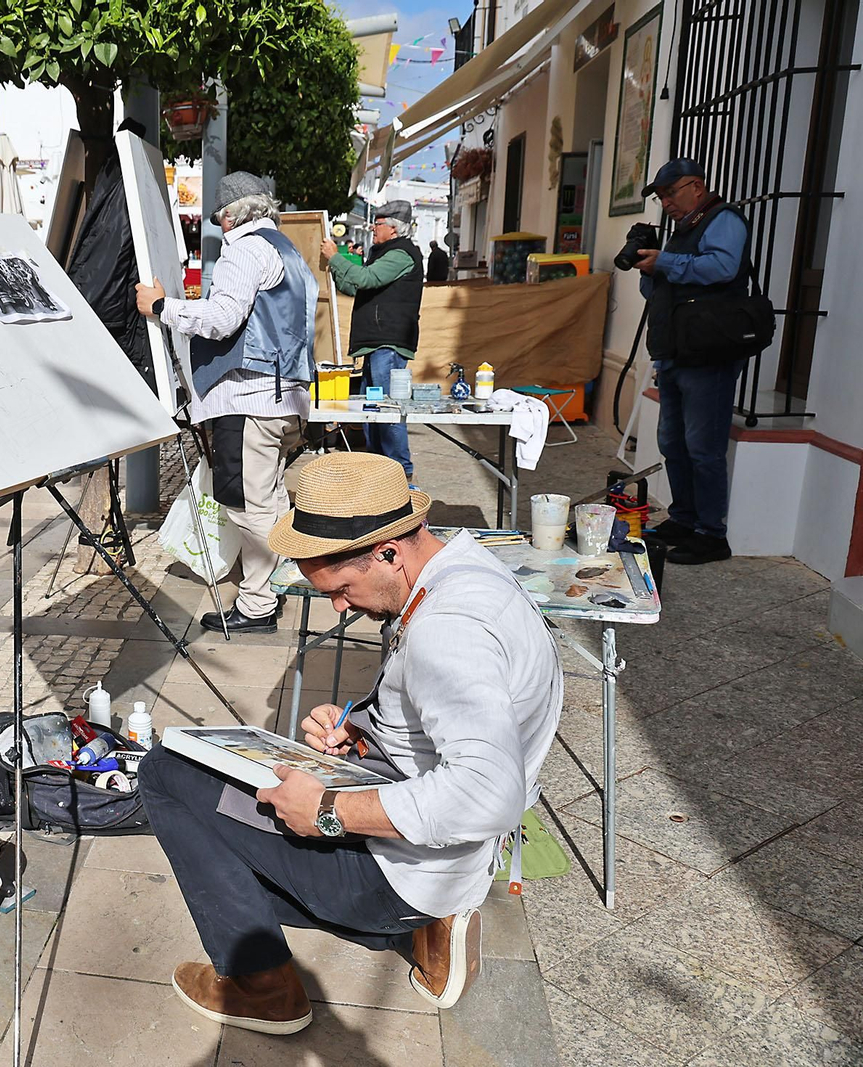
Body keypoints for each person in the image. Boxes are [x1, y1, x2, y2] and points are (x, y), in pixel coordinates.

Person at [138, 452, 561, 1032]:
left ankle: (263, 986)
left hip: (400, 876)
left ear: (388, 552)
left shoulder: (448, 632)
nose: (338, 606)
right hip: (451, 860)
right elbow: (453, 719)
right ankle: (432, 929)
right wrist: (363, 729)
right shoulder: (467, 570)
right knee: (243, 795)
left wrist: (328, 812)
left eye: (341, 587)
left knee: (166, 773)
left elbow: (487, 793)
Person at [135, 172, 317, 635]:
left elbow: (221, 318)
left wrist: (162, 307)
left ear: (232, 215)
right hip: (288, 397)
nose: (219, 228)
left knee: (248, 507)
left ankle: (259, 603)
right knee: (271, 500)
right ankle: (269, 591)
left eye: (218, 220)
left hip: (251, 398)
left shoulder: (246, 250)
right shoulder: (290, 252)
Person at [634, 158, 750, 565]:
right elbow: (659, 293)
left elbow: (722, 267)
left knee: (703, 446)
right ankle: (684, 518)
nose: (665, 202)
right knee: (673, 442)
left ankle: (711, 534)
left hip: (709, 354)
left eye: (671, 192)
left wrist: (663, 262)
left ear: (697, 187)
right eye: (661, 196)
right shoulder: (681, 232)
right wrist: (648, 267)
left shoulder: (723, 220)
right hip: (676, 353)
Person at [324, 203, 423, 482]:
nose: (372, 228)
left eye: (377, 224)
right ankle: (379, 469)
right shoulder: (385, 253)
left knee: (387, 409)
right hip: (376, 344)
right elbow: (355, 286)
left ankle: (400, 473)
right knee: (372, 409)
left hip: (387, 344)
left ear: (393, 228)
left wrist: (336, 258)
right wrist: (335, 270)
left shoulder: (401, 253)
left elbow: (365, 279)